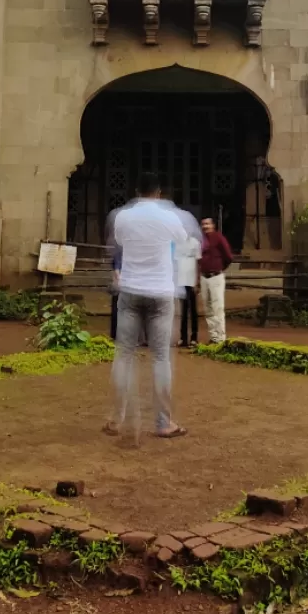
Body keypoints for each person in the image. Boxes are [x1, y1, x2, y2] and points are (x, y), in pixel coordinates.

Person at [105, 174, 189, 439]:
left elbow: (118, 241)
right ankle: (164, 422)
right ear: (159, 193)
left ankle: (117, 418)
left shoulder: (123, 216)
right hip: (161, 293)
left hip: (130, 291)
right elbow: (183, 241)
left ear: (137, 191)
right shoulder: (169, 216)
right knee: (161, 357)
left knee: (124, 354)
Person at [198, 215, 234, 345]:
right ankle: (213, 337)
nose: (205, 226)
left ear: (213, 225)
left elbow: (228, 256)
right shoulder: (202, 240)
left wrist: (220, 267)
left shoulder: (218, 237)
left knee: (217, 307)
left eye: (207, 224)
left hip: (216, 276)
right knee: (208, 309)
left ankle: (221, 338)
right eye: (203, 224)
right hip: (204, 277)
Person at [174, 212, 202, 347]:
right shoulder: (177, 244)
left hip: (192, 280)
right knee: (183, 311)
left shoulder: (195, 243)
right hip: (181, 280)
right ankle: (183, 337)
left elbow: (198, 263)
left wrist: (197, 281)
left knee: (193, 310)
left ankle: (194, 337)